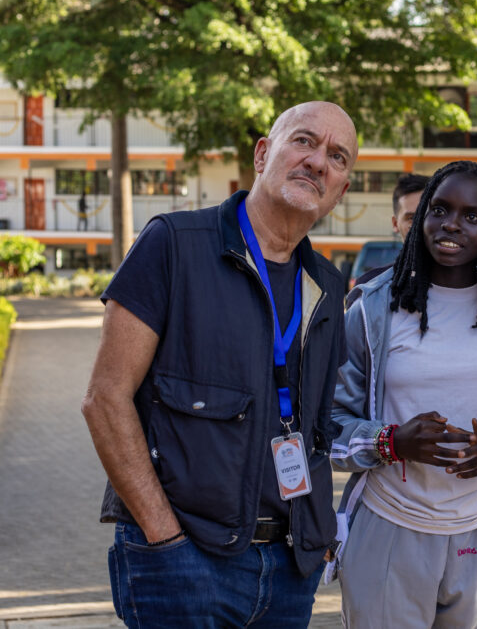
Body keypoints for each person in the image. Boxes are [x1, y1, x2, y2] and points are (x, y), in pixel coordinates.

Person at [81, 101, 358, 628]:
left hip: (290, 572)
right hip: (186, 562)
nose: (318, 161)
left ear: (340, 190)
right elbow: (104, 400)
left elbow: (317, 427)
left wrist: (318, 533)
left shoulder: (327, 285)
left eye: (337, 156)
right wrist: (164, 538)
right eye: (303, 141)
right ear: (262, 154)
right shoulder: (172, 244)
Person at [328, 161, 477, 628]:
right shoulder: (373, 308)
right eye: (439, 210)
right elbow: (329, 423)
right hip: (389, 523)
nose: (451, 224)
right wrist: (390, 442)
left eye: (472, 216)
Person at [345, 173, 428, 306]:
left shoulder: (463, 286)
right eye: (411, 218)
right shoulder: (367, 289)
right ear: (395, 224)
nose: (420, 224)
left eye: (427, 215)